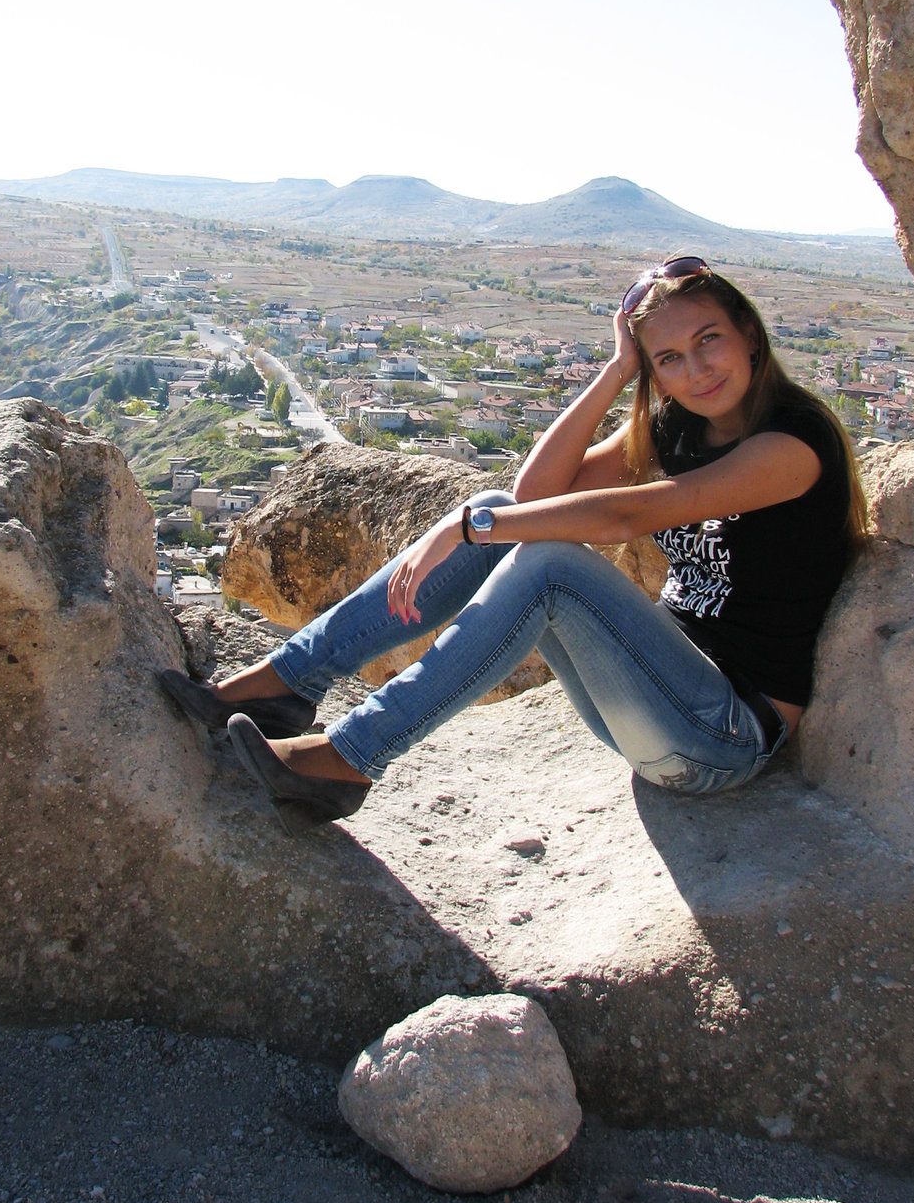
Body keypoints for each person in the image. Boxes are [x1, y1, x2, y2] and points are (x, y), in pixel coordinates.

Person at [158, 257, 868, 833]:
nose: (697, 369)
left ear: (749, 333)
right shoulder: (681, 423)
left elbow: (626, 516)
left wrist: (464, 527)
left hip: (722, 737)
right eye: (670, 358)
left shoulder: (794, 443)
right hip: (650, 700)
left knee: (545, 560)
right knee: (501, 510)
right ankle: (286, 684)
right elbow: (533, 494)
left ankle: (350, 757)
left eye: (709, 339)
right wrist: (617, 373)